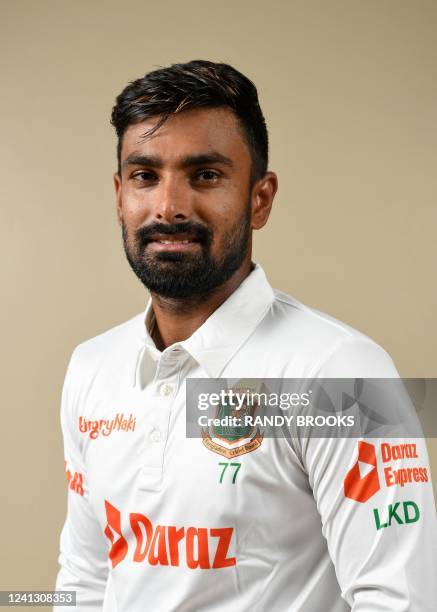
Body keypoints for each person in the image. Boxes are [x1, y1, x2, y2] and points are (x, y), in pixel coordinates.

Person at [54, 60, 437, 611]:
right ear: (120, 195)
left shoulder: (343, 375)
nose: (169, 207)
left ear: (260, 199)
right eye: (145, 176)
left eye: (205, 175)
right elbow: (85, 580)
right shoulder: (92, 366)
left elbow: (402, 601)